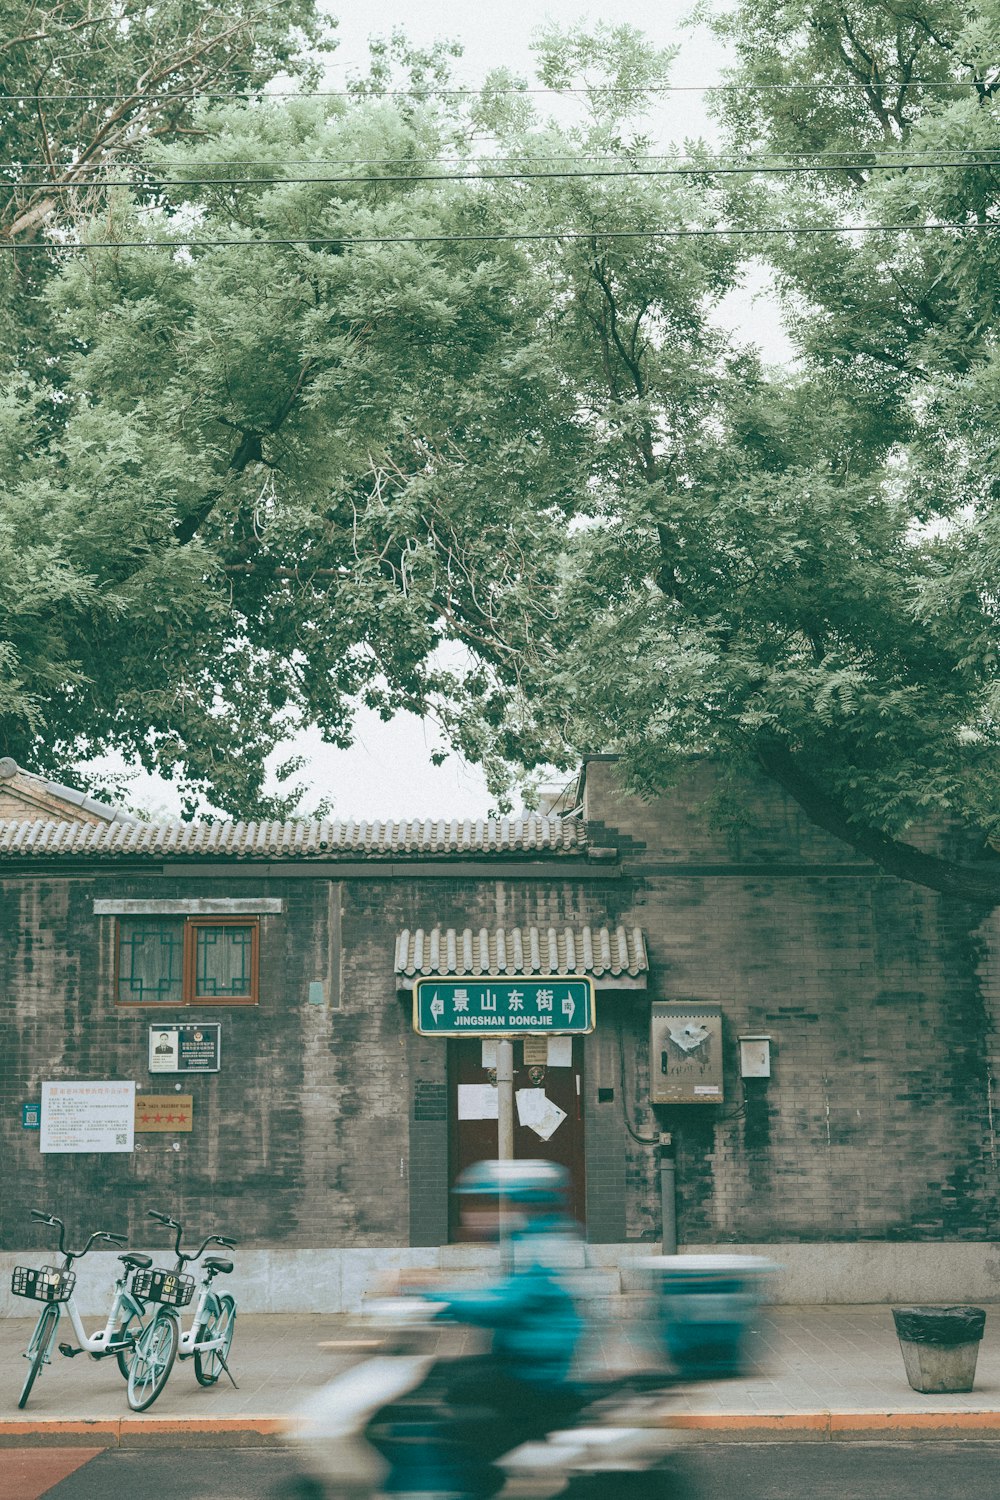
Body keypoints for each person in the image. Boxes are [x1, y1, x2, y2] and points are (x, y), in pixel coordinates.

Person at [383, 1159, 587, 1497]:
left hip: (533, 1373)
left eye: (484, 1203)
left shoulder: (542, 1248)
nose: (473, 1214)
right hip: (525, 1362)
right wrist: (439, 1290)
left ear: (518, 1203)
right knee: (437, 1376)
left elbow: (501, 1302)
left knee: (446, 1397)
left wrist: (431, 1295)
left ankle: (449, 1486)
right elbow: (495, 1292)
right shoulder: (536, 1239)